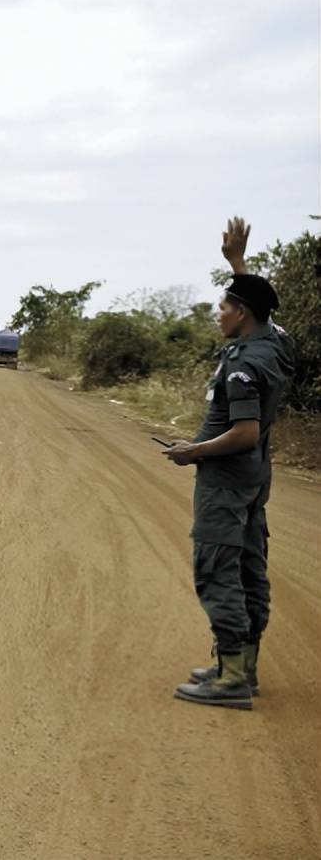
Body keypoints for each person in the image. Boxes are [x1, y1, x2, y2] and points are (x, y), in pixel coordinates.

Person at [164, 217, 294, 711]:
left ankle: (231, 678)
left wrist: (190, 452)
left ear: (240, 313)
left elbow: (244, 433)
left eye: (224, 305)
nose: (217, 313)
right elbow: (269, 314)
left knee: (217, 568)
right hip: (254, 482)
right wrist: (239, 266)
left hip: (226, 482)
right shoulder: (274, 346)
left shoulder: (242, 366)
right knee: (248, 568)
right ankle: (242, 666)